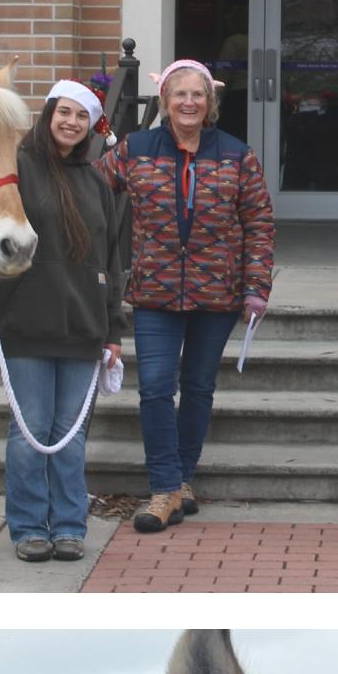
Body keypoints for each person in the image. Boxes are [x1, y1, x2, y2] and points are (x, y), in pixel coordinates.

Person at [111, 57, 275, 532]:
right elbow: (89, 190)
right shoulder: (135, 148)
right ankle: (164, 488)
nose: (188, 102)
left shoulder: (235, 154)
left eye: (197, 94)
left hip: (216, 293)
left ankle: (182, 478)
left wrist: (256, 285)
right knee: (158, 388)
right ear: (164, 100)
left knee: (199, 387)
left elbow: (259, 223)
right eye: (179, 93)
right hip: (155, 293)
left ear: (211, 103)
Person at [0, 78, 128, 561]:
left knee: (70, 435)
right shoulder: (17, 170)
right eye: (64, 112)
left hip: (83, 328)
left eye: (81, 116)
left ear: (90, 126)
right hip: (26, 323)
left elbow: (111, 261)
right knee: (31, 433)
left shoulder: (96, 182)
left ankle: (69, 525)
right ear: (49, 114)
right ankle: (28, 526)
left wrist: (113, 330)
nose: (71, 122)